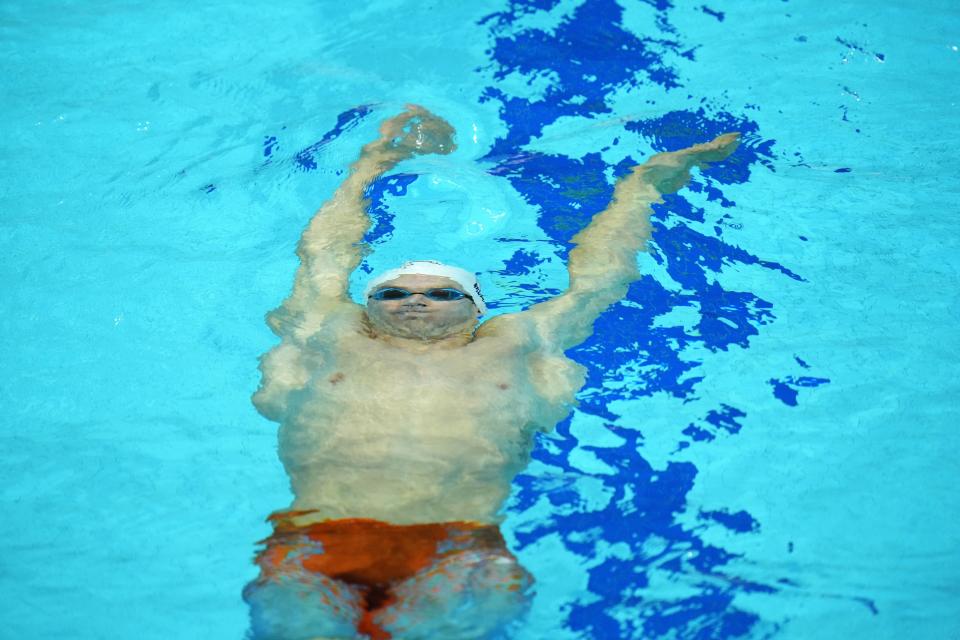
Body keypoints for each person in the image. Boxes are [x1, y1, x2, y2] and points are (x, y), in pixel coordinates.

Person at [243, 105, 739, 639]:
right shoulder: (333, 334)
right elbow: (322, 256)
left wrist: (642, 187)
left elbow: (599, 280)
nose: (415, 299)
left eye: (441, 292)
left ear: (476, 307)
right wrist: (373, 163)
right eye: (392, 292)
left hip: (462, 545)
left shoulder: (515, 343)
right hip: (319, 536)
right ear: (368, 305)